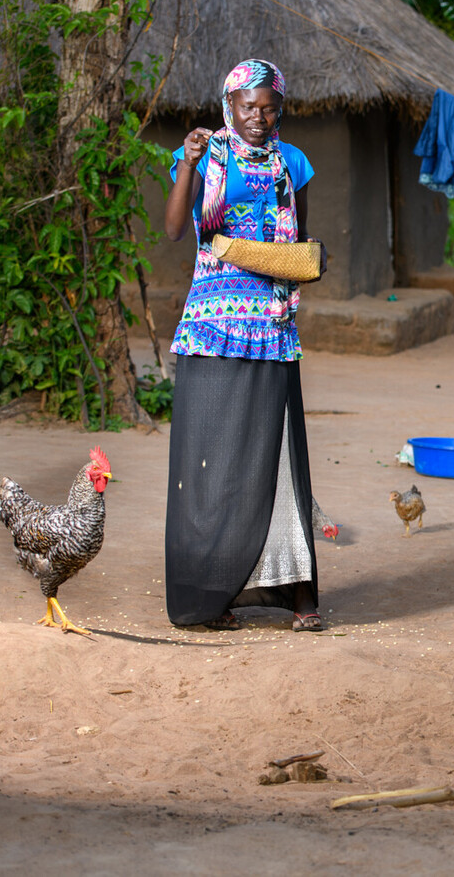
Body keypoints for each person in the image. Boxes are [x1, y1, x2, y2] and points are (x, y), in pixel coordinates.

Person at [162, 58, 326, 631]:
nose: (258, 118)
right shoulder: (206, 155)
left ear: (280, 108)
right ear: (228, 104)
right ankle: (212, 590)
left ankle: (298, 593)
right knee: (213, 460)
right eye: (247, 107)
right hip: (211, 322)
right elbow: (177, 229)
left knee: (277, 453)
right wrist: (185, 163)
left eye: (269, 107)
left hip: (273, 329)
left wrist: (283, 269)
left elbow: (298, 246)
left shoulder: (293, 161)